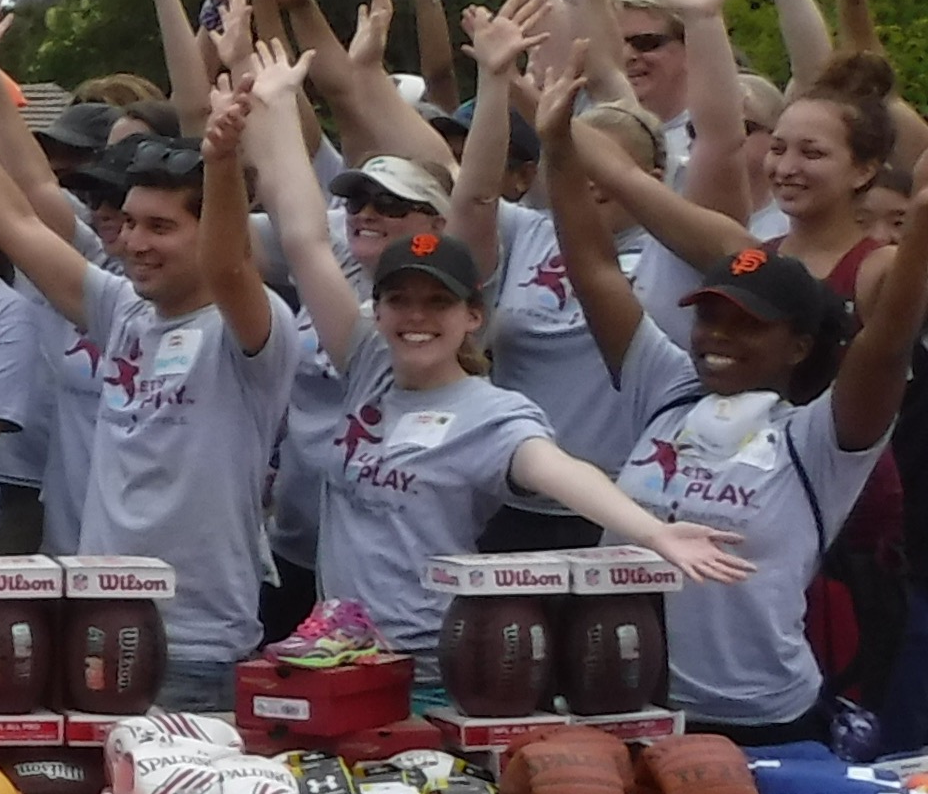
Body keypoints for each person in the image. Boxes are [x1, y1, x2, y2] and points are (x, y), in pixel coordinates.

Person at [232, 41, 746, 686]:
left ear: (473, 315)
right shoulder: (367, 362)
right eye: (400, 301)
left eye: (436, 302)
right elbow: (305, 235)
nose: (415, 317)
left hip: (430, 669)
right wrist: (277, 105)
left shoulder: (492, 411)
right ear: (379, 310)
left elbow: (558, 470)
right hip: (336, 654)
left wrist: (653, 534)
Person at [551, 99, 928, 745]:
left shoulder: (819, 438)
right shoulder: (666, 389)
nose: (717, 338)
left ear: (801, 345)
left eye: (748, 323)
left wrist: (921, 221)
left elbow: (888, 338)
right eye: (709, 316)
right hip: (624, 706)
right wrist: (557, 140)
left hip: (758, 721)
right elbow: (593, 269)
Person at [0, 19, 293, 706]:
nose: (134, 242)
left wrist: (222, 166)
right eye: (130, 223)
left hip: (196, 649)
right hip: (92, 627)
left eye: (160, 227)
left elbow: (229, 264)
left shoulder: (250, 330)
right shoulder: (121, 311)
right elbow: (15, 223)